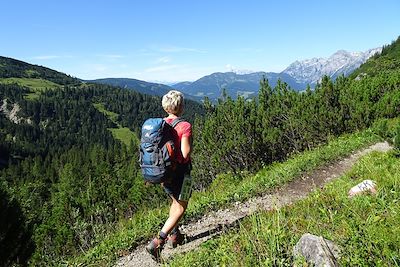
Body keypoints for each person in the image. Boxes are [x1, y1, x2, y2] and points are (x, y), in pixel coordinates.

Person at [146, 90, 193, 261]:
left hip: (163, 172)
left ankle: (176, 235)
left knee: (174, 201)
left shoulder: (161, 125)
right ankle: (158, 242)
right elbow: (185, 154)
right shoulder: (185, 125)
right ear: (181, 106)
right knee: (181, 207)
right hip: (181, 173)